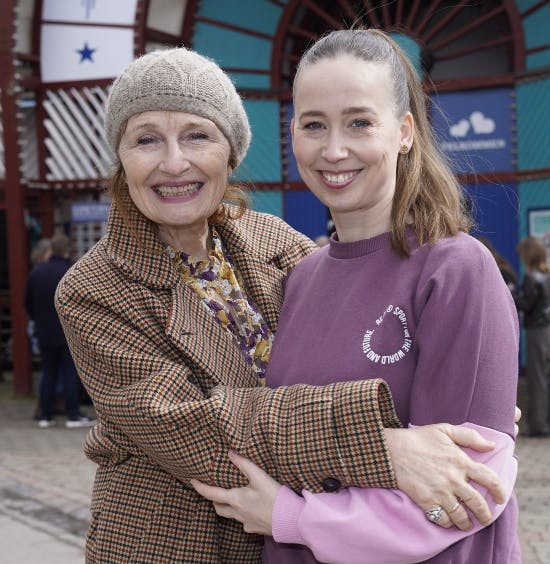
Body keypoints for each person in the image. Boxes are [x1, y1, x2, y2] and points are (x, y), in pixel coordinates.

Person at [56, 46, 510, 563]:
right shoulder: (92, 288)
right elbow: (193, 427)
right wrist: (384, 446)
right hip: (175, 545)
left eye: (197, 136)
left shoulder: (281, 246)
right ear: (121, 158)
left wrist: (473, 388)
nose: (174, 162)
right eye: (146, 140)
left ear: (230, 153)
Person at [191, 29, 520, 563]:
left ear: (405, 132)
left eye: (359, 122)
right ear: (292, 133)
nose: (334, 149)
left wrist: (293, 517)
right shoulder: (300, 278)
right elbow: (279, 430)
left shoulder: (456, 269)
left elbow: (468, 495)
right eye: (313, 125)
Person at [25, 233, 95, 429]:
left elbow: (28, 303)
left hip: (45, 332)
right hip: (68, 332)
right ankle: (73, 415)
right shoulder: (70, 271)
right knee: (69, 373)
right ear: (66, 250)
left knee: (48, 372)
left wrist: (39, 322)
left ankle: (45, 416)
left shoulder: (36, 273)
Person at [515, 236, 550, 437]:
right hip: (548, 328)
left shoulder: (531, 278)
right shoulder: (547, 273)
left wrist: (511, 294)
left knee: (536, 379)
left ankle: (538, 426)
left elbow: (526, 305)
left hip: (537, 332)